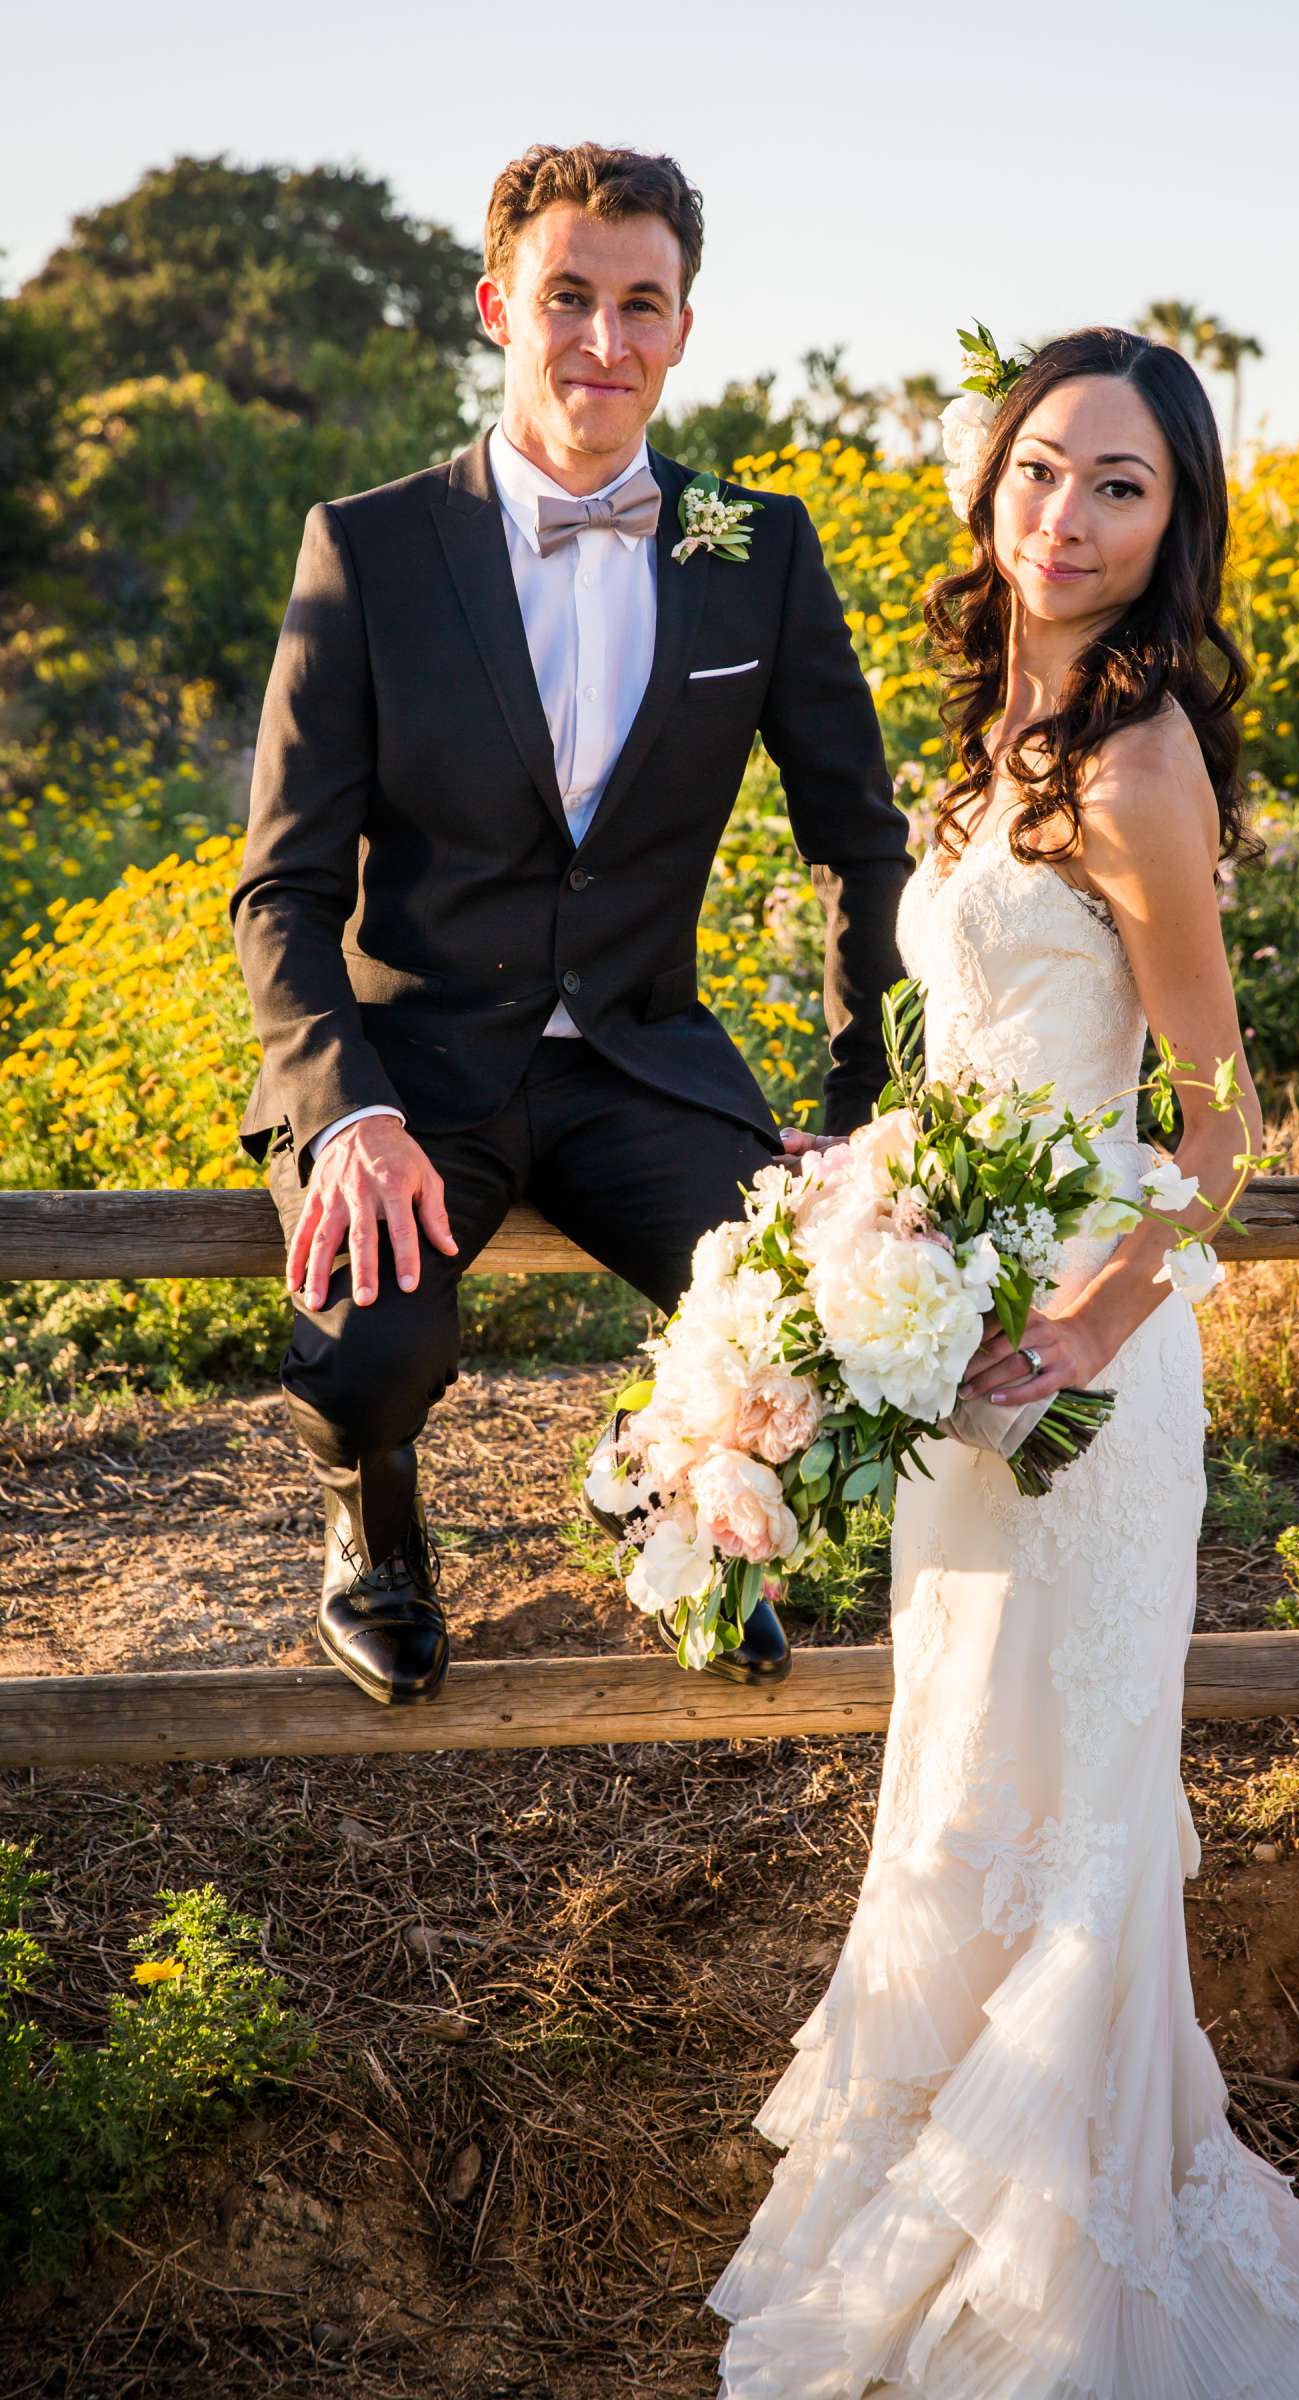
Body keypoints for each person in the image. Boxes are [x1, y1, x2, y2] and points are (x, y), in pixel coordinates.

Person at [709, 328, 1299, 2397]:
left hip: (1076, 1374)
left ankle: (1068, 2293)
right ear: (989, 486)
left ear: (1170, 522)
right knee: (960, 1778)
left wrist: (1078, 1327)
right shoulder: (981, 746)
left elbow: (1216, 1125)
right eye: (1039, 469)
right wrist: (857, 1216)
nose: (1064, 515)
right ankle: (937, 2233)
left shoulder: (1139, 762)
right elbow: (970, 1065)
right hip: (943, 1352)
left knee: (1074, 1812)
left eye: (1116, 484)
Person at [230, 142, 911, 1707]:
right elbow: (283, 886)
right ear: (497, 308)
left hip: (635, 1057)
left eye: (640, 305)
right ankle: (375, 1535)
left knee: (826, 1319)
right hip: (413, 1063)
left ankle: (680, 1512)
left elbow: (858, 845)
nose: (604, 341)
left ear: (683, 327)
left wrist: (858, 1108)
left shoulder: (758, 549)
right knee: (368, 1351)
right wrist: (346, 1112)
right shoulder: (370, 547)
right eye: (569, 299)